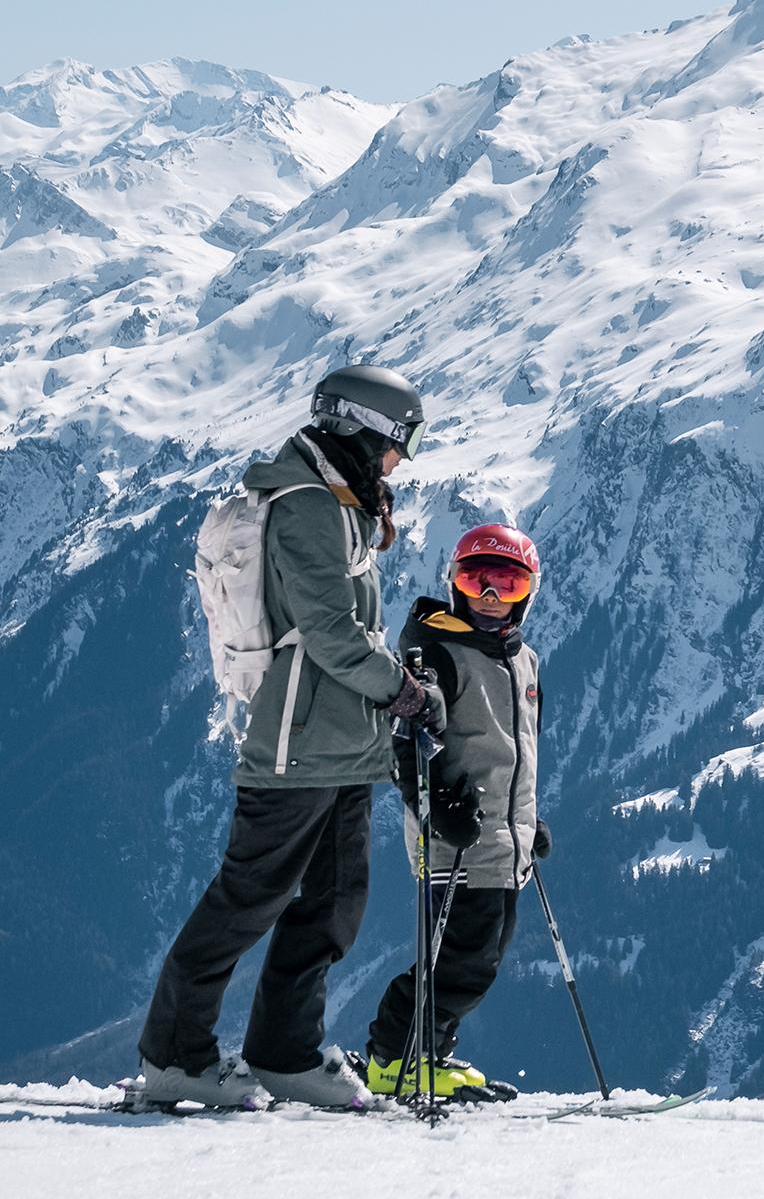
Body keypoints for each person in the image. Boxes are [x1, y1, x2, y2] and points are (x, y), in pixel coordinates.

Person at [137, 364, 443, 1109]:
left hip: (342, 741)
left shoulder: (339, 501)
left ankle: (283, 1051)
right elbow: (331, 634)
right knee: (250, 895)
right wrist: (402, 689)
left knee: (335, 902)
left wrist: (390, 680)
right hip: (296, 740)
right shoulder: (307, 505)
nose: (400, 461)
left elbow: (346, 631)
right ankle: (175, 1055)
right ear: (362, 432)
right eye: (398, 445)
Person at [362, 523, 545, 1101]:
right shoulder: (437, 652)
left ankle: (428, 1052)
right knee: (460, 956)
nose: (491, 596)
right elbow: (406, 744)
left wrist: (527, 822)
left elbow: (515, 751)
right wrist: (436, 807)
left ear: (528, 593)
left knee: (480, 956)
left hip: (502, 841)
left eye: (507, 584)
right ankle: (394, 1059)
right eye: (477, 580)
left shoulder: (524, 661)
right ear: (455, 583)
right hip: (456, 837)